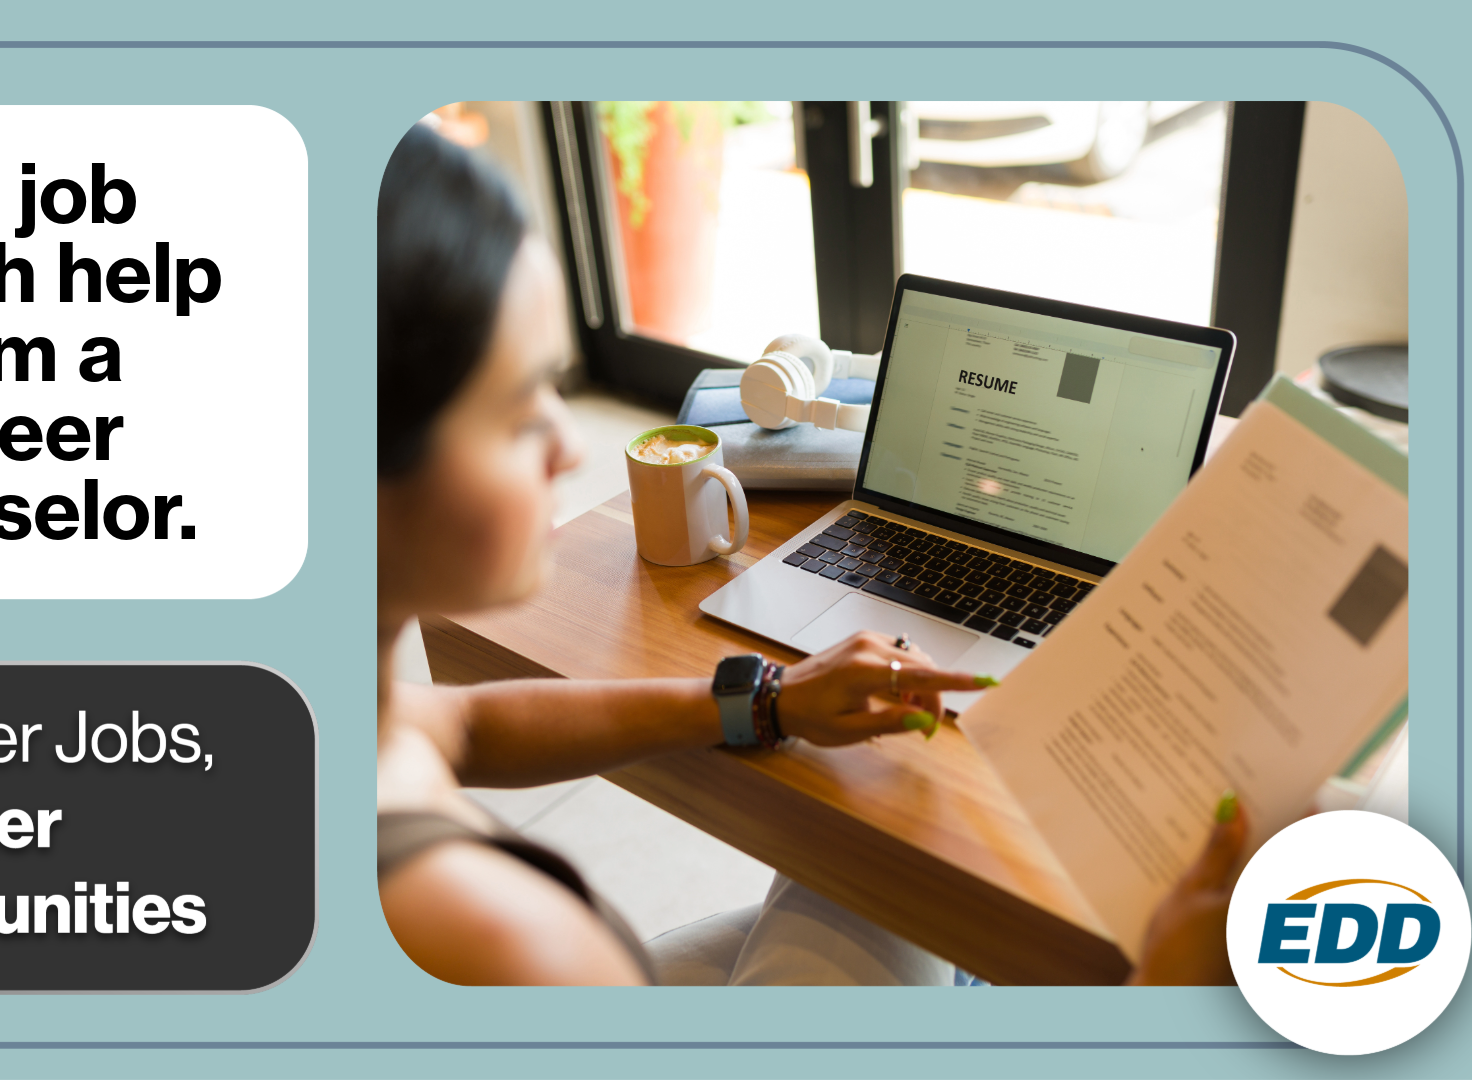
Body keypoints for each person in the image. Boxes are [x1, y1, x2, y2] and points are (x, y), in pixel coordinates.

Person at [375, 122, 1246, 987]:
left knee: (884, 854)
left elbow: (460, 725)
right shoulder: (500, 940)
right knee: (921, 857)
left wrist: (773, 698)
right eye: (520, 402)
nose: (570, 445)